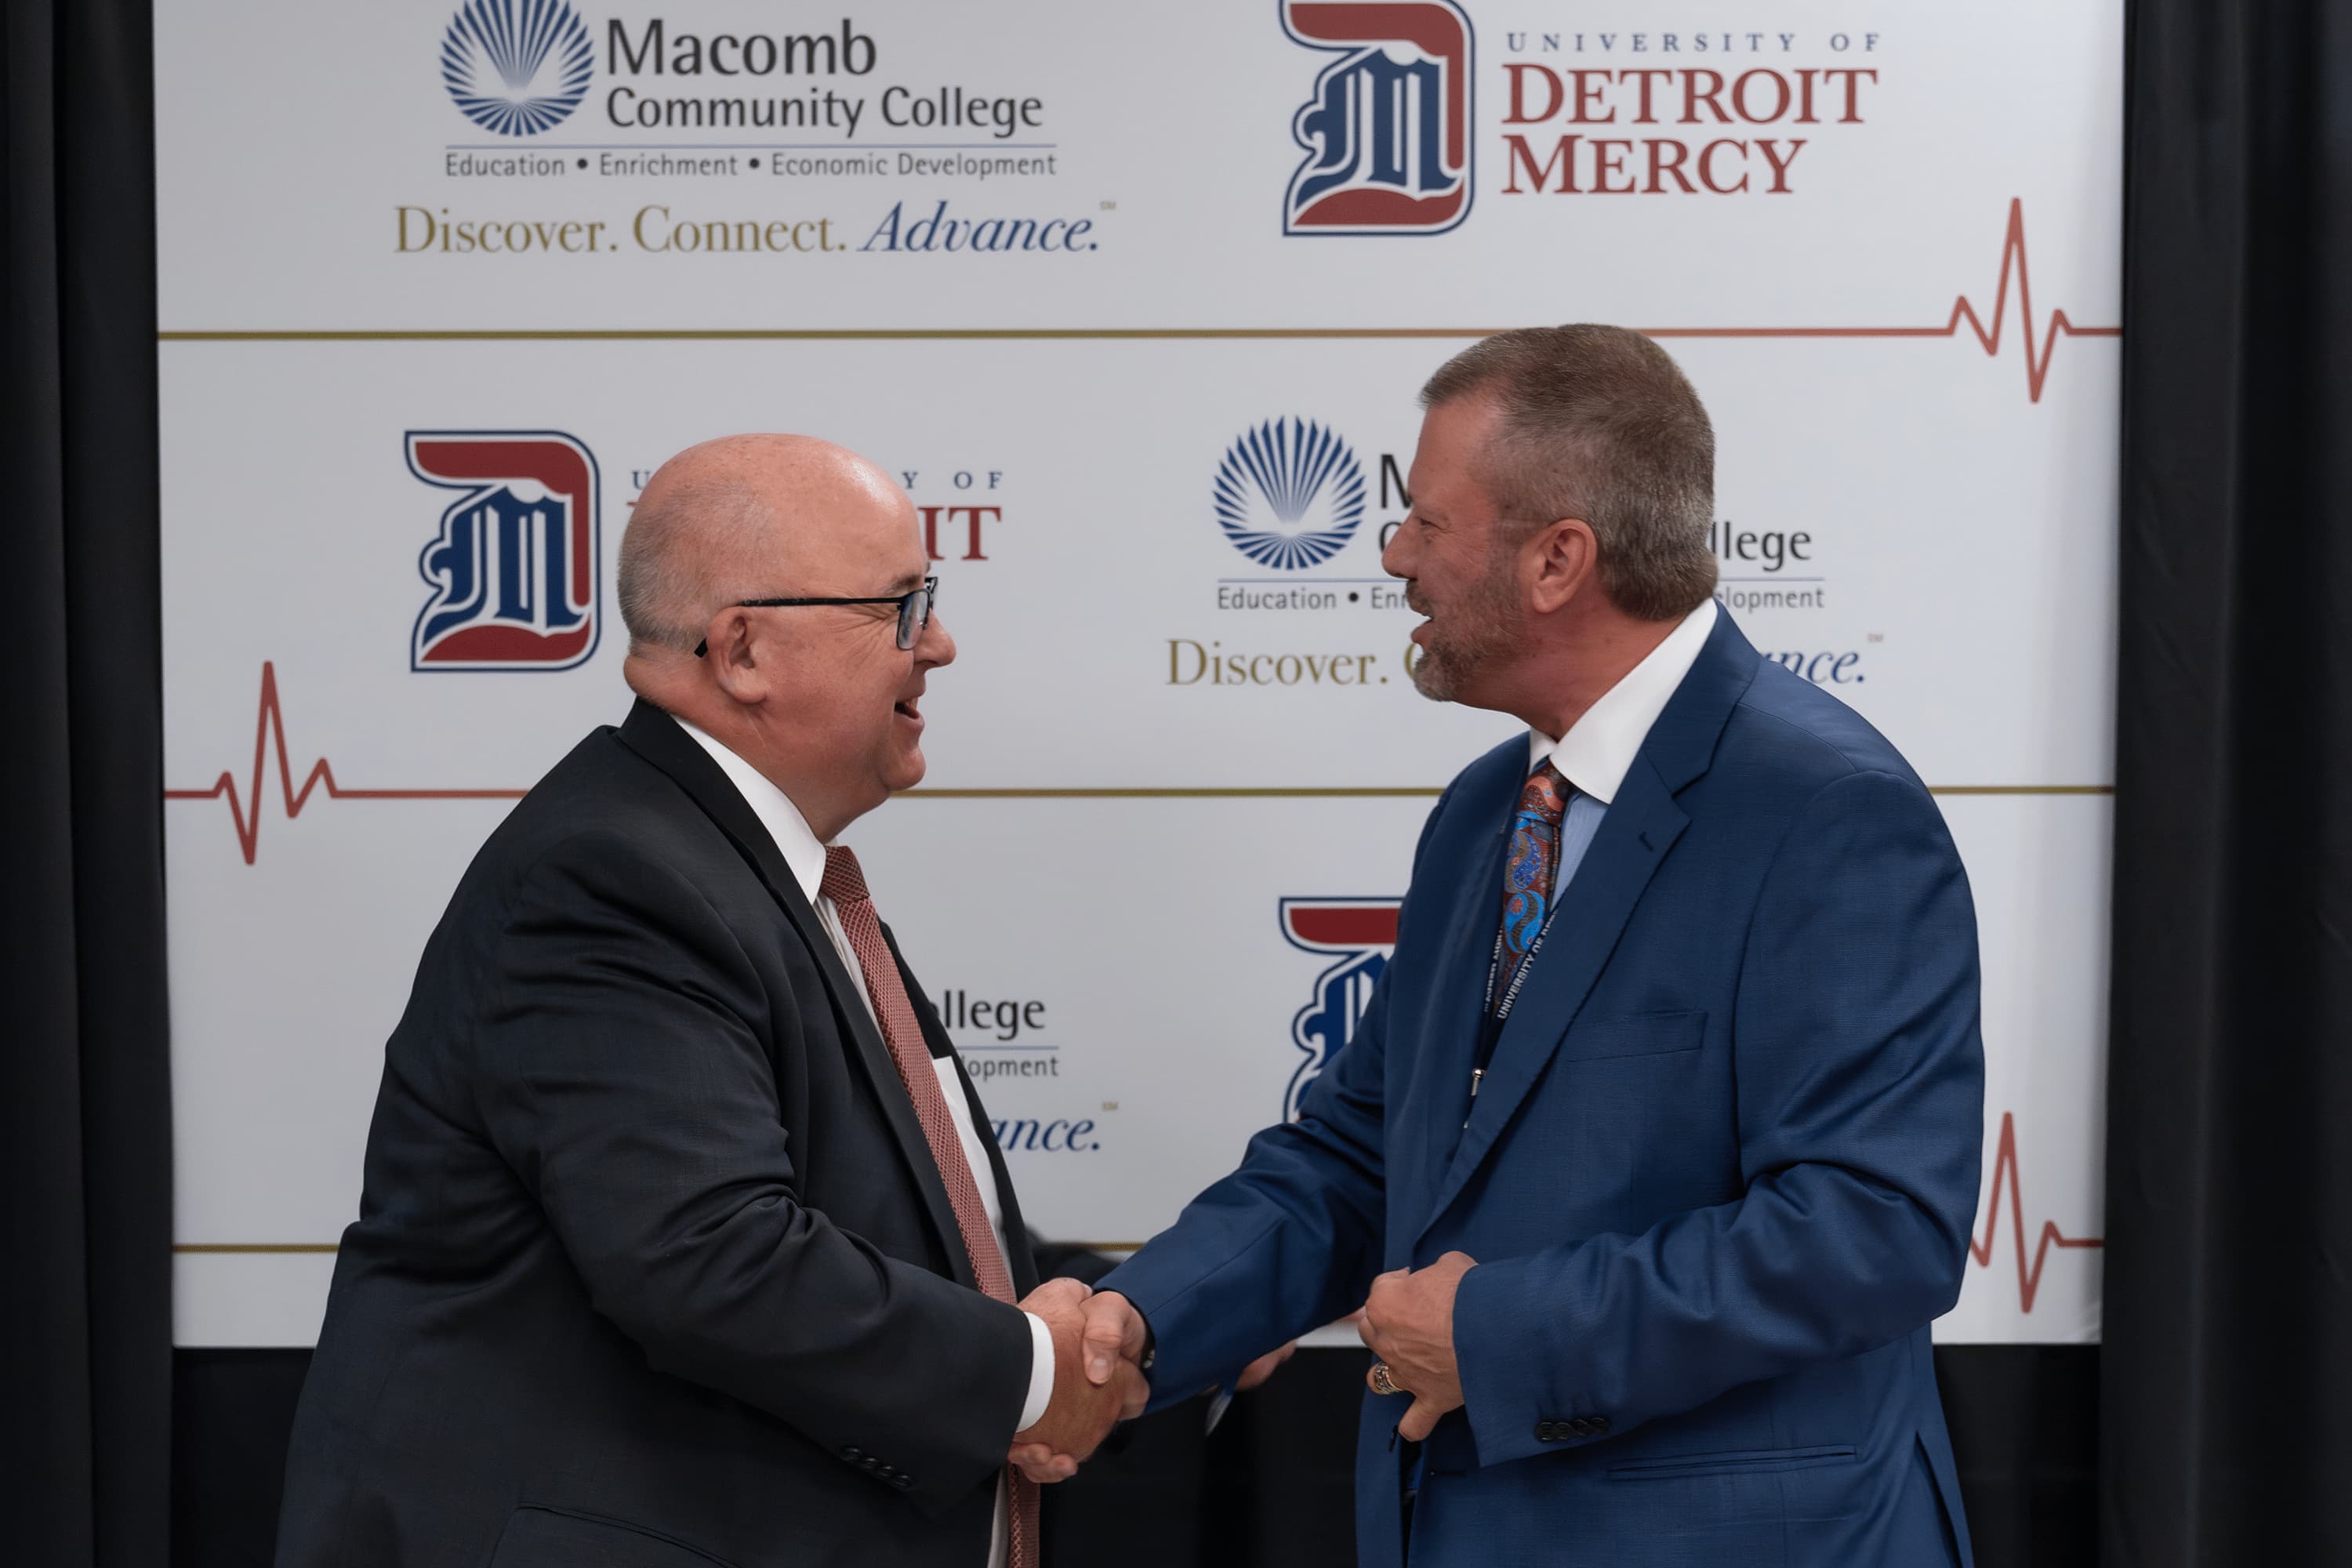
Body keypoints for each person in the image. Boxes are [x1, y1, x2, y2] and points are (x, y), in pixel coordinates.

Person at [1075, 326, 1987, 1566]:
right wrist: (1140, 1322)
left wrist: (1503, 1337)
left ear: (1559, 560)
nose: (1392, 555)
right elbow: (1361, 1156)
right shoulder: (1485, 814)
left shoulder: (1825, 810)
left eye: (1424, 522)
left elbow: (1872, 1227)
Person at [275, 434, 1138, 1567]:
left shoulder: (744, 867)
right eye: (901, 606)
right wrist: (1035, 1375)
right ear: (741, 650)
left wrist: (1146, 1312)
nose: (937, 643)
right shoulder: (613, 877)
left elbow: (895, 1224)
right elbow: (708, 1257)